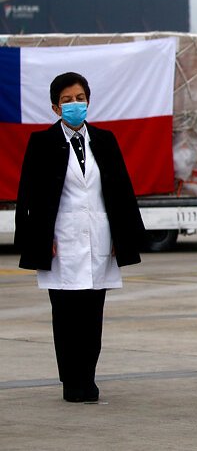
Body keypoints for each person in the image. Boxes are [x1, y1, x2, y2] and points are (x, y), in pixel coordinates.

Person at [15, 72, 144, 403]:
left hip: (98, 235)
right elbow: (27, 194)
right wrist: (37, 237)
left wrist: (123, 233)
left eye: (80, 98)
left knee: (92, 314)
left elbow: (121, 190)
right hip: (61, 239)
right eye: (67, 100)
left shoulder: (105, 140)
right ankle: (71, 380)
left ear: (89, 102)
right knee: (66, 315)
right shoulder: (42, 142)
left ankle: (88, 376)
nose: (75, 105)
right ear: (56, 108)